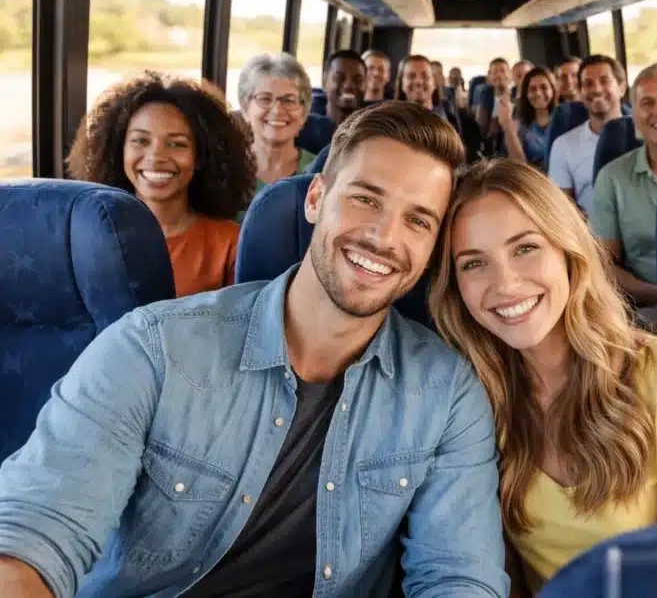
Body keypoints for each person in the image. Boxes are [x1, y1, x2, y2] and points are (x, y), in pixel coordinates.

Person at [0, 101, 508, 598]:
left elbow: (458, 574)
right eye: (365, 199)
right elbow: (36, 530)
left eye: (418, 220)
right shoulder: (154, 348)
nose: (383, 237)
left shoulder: (447, 392)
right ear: (316, 199)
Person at [429, 158, 657, 594]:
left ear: (568, 253)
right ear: (455, 287)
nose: (506, 284)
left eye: (525, 248)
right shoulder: (471, 404)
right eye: (473, 264)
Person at [67, 72, 254, 298]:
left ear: (202, 157)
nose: (156, 157)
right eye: (140, 141)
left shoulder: (231, 245)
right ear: (118, 151)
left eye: (176, 144)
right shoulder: (82, 239)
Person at [590, 63, 657, 328]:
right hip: (648, 308)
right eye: (647, 103)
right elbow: (604, 267)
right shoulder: (612, 178)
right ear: (635, 116)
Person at [547, 54, 627, 216]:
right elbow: (562, 208)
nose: (596, 90)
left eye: (604, 81)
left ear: (622, 88)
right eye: (588, 84)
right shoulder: (564, 145)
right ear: (580, 92)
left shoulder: (647, 136)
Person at [237, 53, 318, 199]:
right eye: (265, 99)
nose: (277, 110)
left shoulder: (322, 172)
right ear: (245, 108)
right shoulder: (225, 170)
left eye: (289, 100)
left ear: (304, 111)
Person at [497, 66, 558, 167]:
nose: (538, 93)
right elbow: (519, 167)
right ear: (526, 94)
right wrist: (508, 128)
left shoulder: (565, 118)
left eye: (544, 87)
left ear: (553, 90)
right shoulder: (519, 125)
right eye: (532, 89)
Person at [322, 49, 366, 124]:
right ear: (324, 82)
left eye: (358, 80)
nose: (349, 86)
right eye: (339, 78)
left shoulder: (375, 129)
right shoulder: (303, 127)